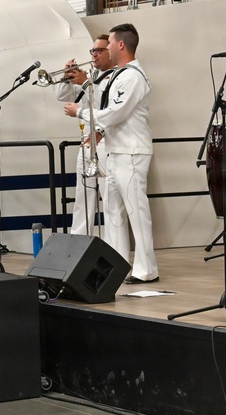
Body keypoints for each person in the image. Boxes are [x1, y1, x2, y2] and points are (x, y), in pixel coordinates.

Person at [71, 24, 158, 284]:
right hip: (114, 151)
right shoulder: (120, 74)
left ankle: (146, 268)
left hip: (131, 151)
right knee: (113, 211)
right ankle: (117, 264)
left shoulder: (133, 76)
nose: (106, 47)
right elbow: (104, 104)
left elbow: (115, 113)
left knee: (135, 210)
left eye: (109, 43)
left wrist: (80, 112)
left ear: (121, 44)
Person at [59, 41, 113, 235]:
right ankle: (79, 241)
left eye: (99, 50)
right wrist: (67, 78)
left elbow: (107, 107)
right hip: (87, 143)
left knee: (109, 198)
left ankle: (112, 244)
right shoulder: (90, 76)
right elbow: (62, 96)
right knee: (83, 197)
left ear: (112, 50)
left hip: (107, 142)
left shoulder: (116, 77)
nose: (94, 54)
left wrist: (84, 82)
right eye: (93, 51)